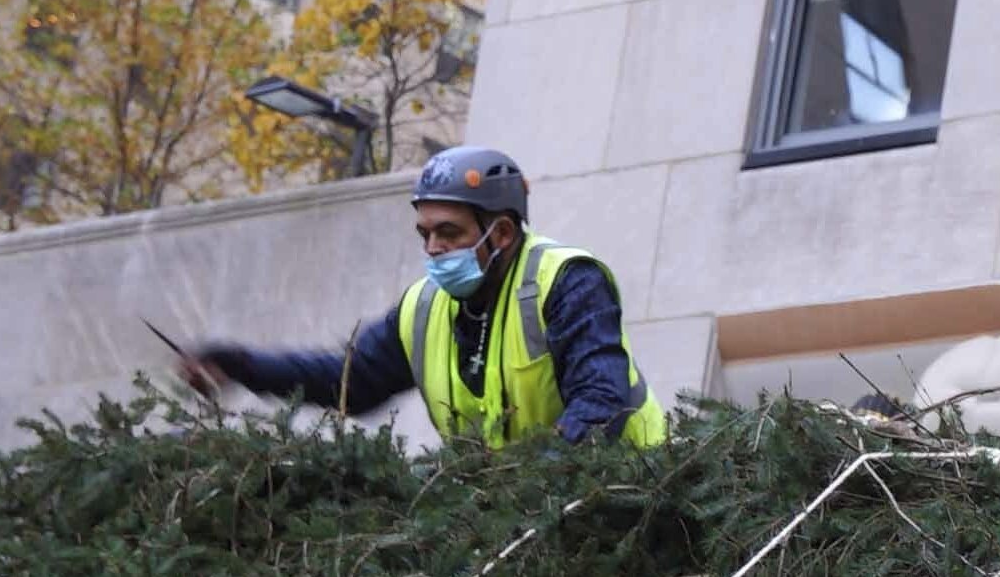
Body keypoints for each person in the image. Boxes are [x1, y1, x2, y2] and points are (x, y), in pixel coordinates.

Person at [170, 144, 671, 449]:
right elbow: (349, 382)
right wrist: (239, 365)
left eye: (449, 232)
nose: (433, 249)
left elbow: (600, 401)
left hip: (628, 502)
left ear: (499, 233)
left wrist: (535, 480)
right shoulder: (424, 309)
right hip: (521, 526)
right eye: (425, 233)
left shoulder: (567, 282)